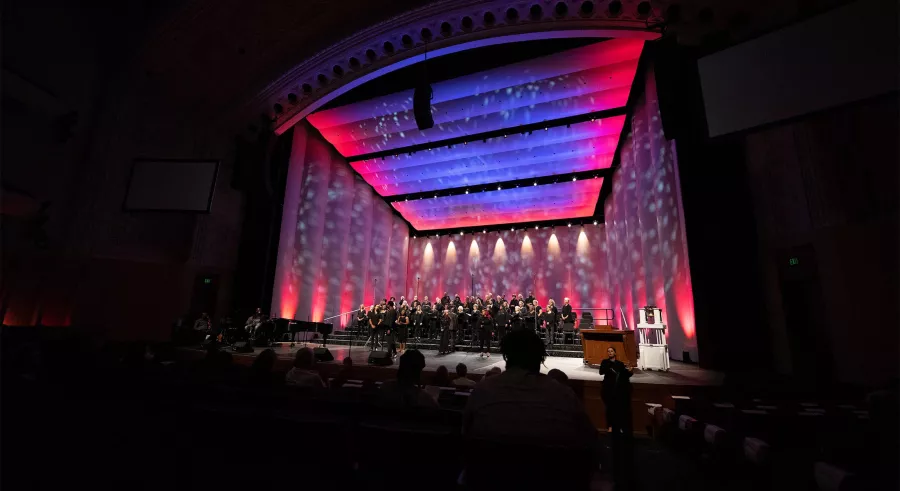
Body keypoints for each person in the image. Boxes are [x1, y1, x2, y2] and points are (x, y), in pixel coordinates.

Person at [463, 329, 597, 448]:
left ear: (506, 356)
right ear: (541, 358)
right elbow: (590, 440)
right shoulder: (563, 395)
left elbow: (465, 434)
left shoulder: (483, 390)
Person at [599, 346, 634, 488]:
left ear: (615, 353)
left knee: (617, 410)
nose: (610, 353)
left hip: (618, 392)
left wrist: (630, 372)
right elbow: (601, 372)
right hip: (608, 391)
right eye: (608, 352)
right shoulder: (605, 363)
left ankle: (618, 427)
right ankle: (610, 426)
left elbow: (626, 376)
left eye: (611, 351)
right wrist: (609, 368)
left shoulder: (619, 364)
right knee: (609, 410)